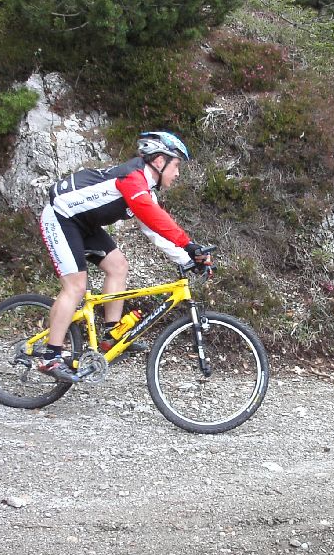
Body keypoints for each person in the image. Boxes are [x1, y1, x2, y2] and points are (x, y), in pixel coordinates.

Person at [36, 130, 211, 382]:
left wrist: (187, 259)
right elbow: (155, 218)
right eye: (176, 166)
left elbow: (154, 232)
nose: (177, 173)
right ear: (159, 161)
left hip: (84, 224)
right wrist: (189, 244)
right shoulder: (132, 179)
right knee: (75, 286)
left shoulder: (144, 189)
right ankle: (50, 356)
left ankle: (111, 335)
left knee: (118, 266)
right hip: (60, 218)